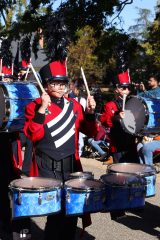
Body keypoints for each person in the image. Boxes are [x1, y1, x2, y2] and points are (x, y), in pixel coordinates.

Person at [23, 58, 98, 240]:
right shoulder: (33, 106)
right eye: (55, 83)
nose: (60, 87)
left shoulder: (75, 106)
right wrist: (42, 109)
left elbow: (91, 132)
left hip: (71, 166)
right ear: (46, 85)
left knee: (71, 213)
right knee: (55, 215)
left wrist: (90, 113)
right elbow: (33, 135)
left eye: (63, 83)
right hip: (47, 167)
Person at [100, 70, 139, 164]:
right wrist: (117, 117)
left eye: (128, 88)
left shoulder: (133, 103)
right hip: (117, 145)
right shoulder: (110, 105)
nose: (126, 90)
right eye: (124, 88)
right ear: (117, 89)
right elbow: (106, 123)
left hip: (131, 143)